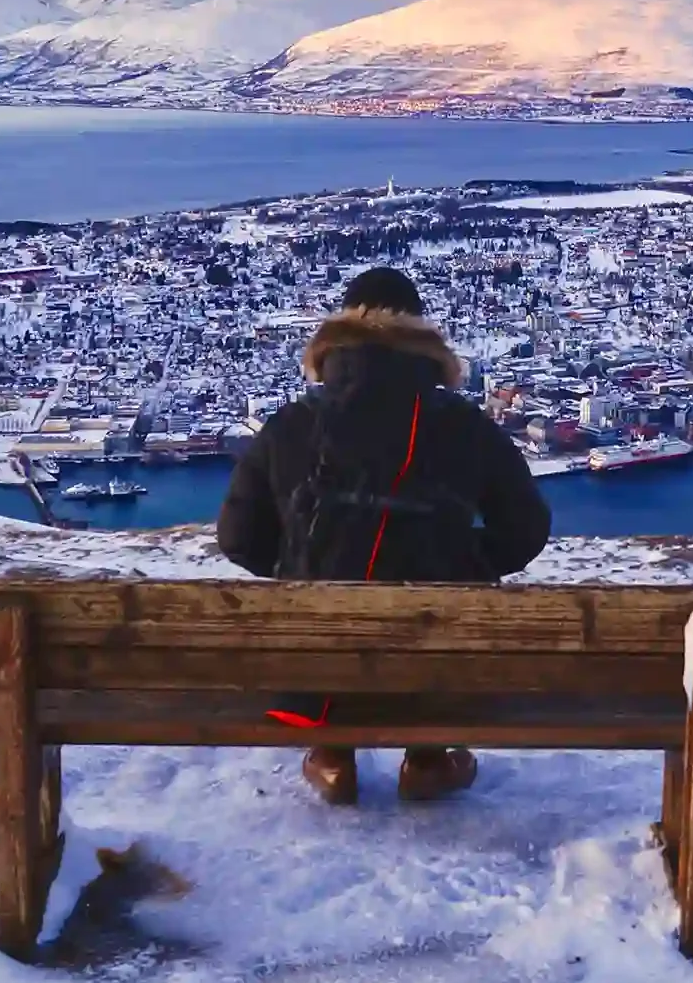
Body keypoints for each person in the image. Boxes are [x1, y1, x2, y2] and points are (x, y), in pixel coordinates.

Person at [217, 265, 552, 806]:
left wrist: (298, 567)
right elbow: (526, 528)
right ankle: (427, 758)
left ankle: (332, 756)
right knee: (427, 622)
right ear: (421, 337)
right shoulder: (465, 426)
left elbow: (237, 535)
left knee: (329, 606)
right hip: (434, 673)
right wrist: (464, 563)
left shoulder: (292, 424)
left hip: (315, 672)